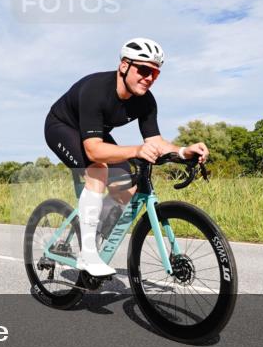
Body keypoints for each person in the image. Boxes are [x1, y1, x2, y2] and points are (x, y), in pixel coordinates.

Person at [44, 38, 208, 276]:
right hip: (62, 126)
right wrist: (136, 151)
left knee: (127, 185)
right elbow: (93, 151)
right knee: (98, 169)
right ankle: (87, 255)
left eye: (155, 73)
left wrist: (184, 152)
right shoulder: (96, 90)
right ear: (124, 66)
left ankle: (95, 233)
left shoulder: (146, 101)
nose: (149, 77)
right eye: (143, 69)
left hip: (94, 135)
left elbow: (155, 142)